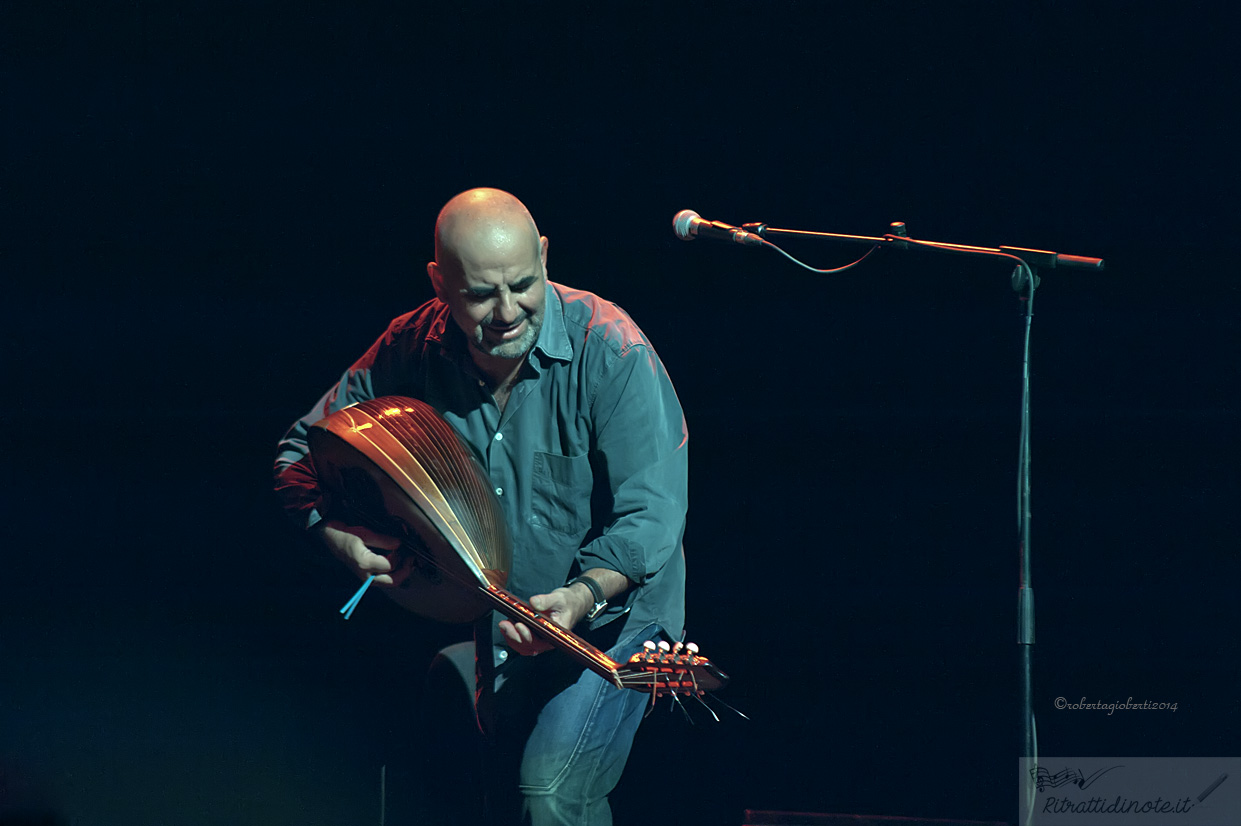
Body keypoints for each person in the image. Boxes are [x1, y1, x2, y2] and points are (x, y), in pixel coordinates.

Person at [273, 187, 689, 825]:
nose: (506, 313)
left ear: (545, 257)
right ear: (439, 282)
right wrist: (336, 534)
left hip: (615, 624)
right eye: (478, 295)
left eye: (523, 285)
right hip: (503, 625)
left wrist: (582, 595)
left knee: (551, 793)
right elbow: (301, 452)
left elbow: (652, 514)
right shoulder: (410, 348)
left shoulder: (612, 349)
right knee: (497, 802)